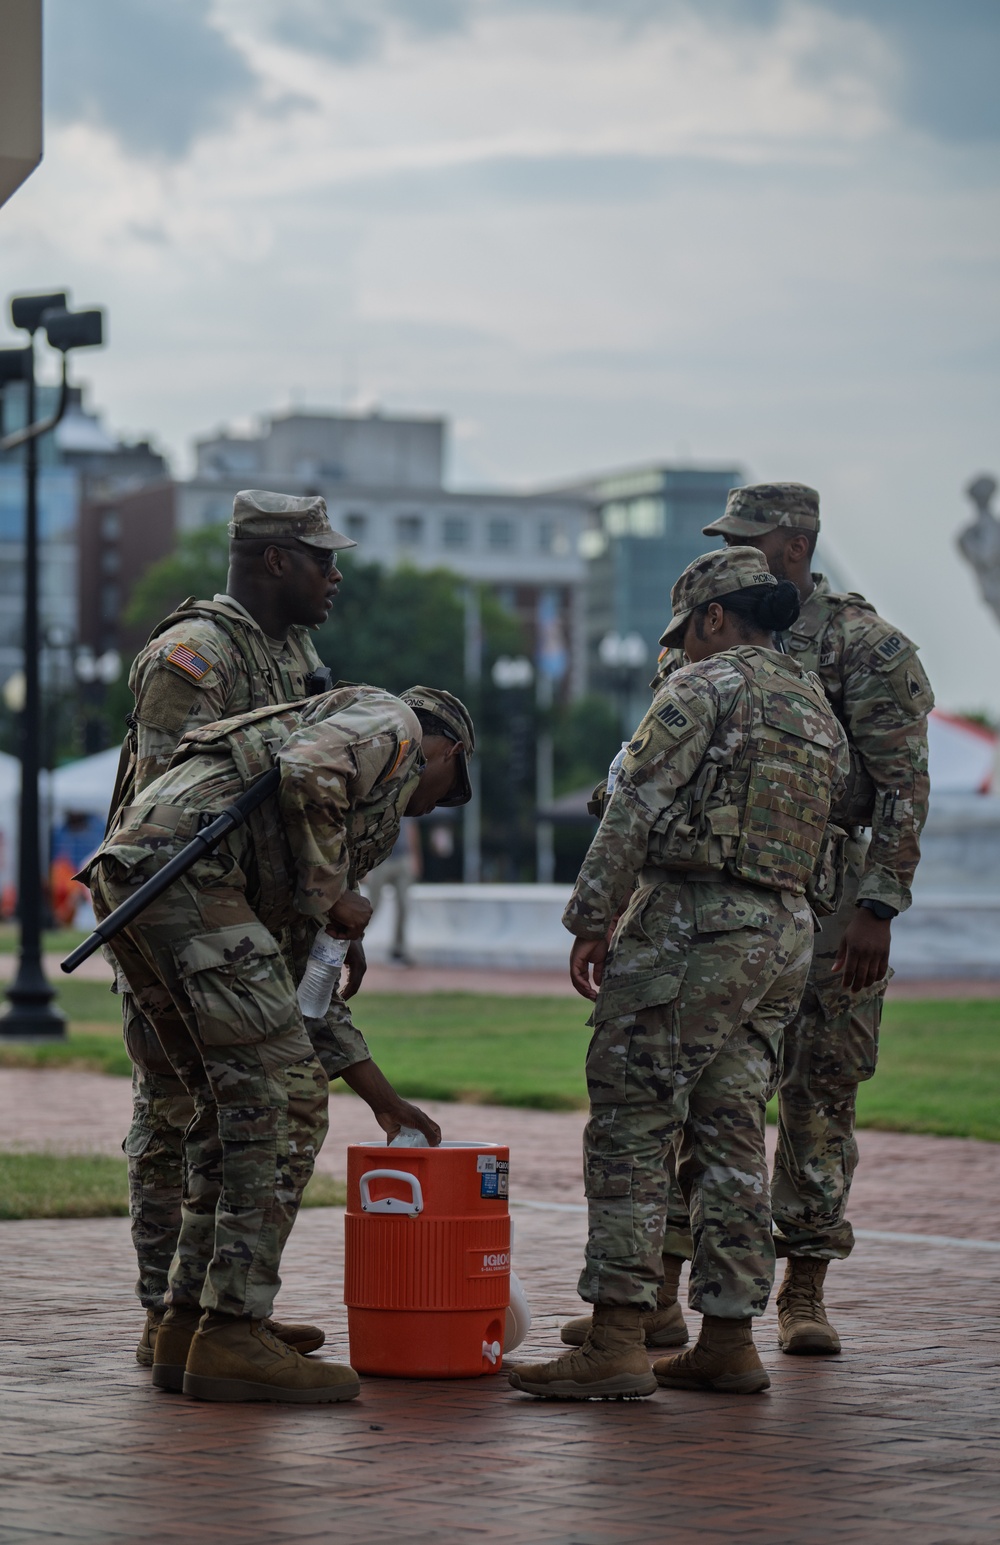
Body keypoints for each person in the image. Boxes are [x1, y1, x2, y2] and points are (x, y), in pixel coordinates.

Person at [509, 548, 848, 1401]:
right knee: (731, 1129)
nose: (683, 650)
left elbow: (636, 802)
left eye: (686, 633)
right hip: (783, 929)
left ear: (711, 617)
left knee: (631, 1121)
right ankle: (728, 1336)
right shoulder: (814, 708)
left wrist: (592, 916)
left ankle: (618, 1336)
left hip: (695, 925)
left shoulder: (701, 688)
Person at [86, 681, 475, 1404]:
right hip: (185, 872)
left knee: (226, 1097)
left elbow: (304, 1006)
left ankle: (190, 1320)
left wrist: (387, 1104)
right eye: (448, 789)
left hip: (140, 874)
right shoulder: (387, 724)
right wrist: (333, 891)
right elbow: (307, 764)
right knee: (285, 1102)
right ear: (444, 751)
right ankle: (233, 1329)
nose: (432, 808)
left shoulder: (320, 824)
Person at [115, 488, 362, 1370]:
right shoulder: (193, 656)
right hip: (179, 922)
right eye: (321, 557)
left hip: (252, 925)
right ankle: (165, 1313)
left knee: (244, 1116)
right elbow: (162, 820)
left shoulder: (294, 652)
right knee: (181, 1114)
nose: (336, 573)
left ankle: (214, 1309)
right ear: (273, 560)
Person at [691, 482, 933, 1355]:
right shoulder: (715, 622)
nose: (741, 554)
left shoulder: (868, 648)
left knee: (821, 1083)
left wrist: (878, 905)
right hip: (732, 882)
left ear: (796, 544)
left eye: (753, 541)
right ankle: (678, 1282)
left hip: (833, 894)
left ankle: (805, 1284)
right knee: (710, 1076)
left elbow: (904, 786)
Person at [364, 819, 422, 964]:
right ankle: (352, 940)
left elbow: (411, 829)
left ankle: (399, 949)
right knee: (373, 904)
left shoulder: (406, 801)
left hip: (402, 857)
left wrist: (415, 856)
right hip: (380, 858)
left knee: (404, 904)